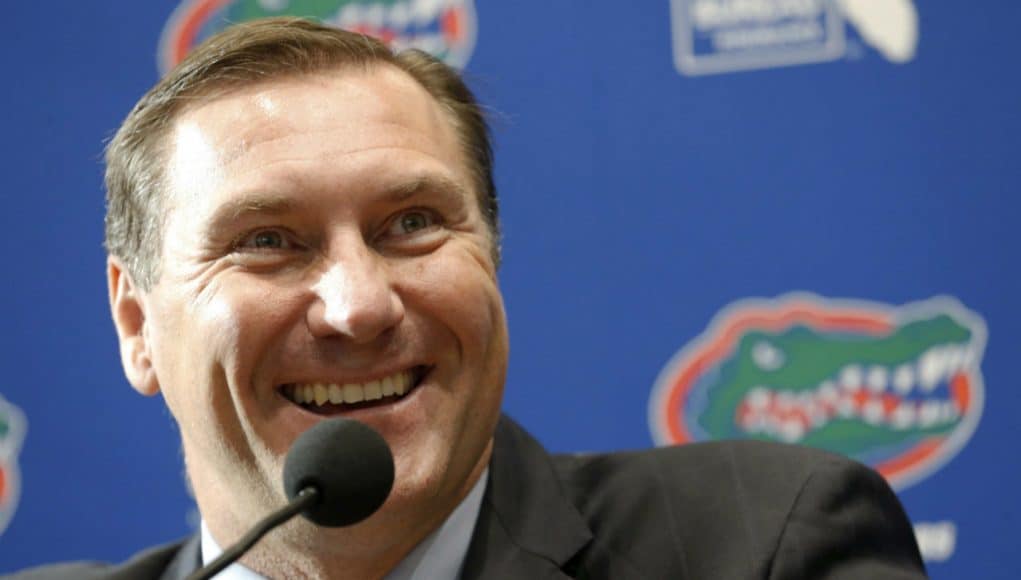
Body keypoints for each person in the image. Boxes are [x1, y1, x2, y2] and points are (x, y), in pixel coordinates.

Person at [7, 17, 927, 580]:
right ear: (135, 323)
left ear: (490, 251)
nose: (358, 306)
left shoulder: (764, 543)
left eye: (410, 223)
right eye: (266, 242)